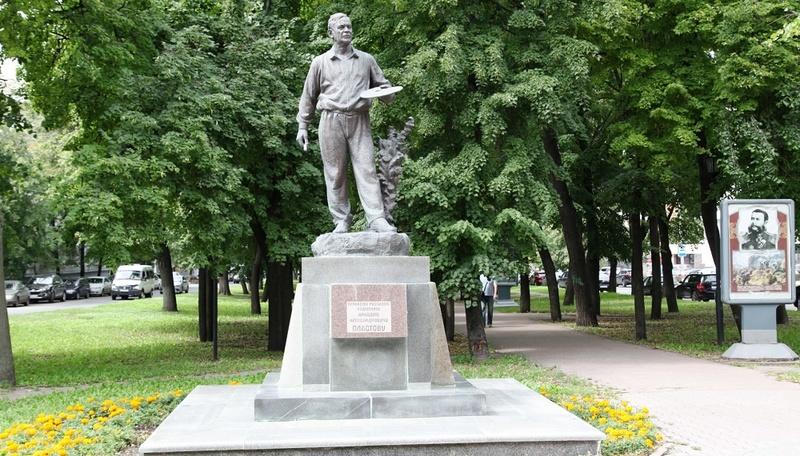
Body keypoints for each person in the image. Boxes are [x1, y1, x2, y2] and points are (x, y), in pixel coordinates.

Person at [296, 13, 397, 233]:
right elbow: (308, 96)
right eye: (341, 27)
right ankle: (341, 220)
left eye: (349, 26)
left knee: (367, 169)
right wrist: (303, 126)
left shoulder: (366, 60)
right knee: (335, 173)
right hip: (331, 120)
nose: (346, 30)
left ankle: (376, 218)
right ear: (330, 33)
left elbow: (387, 92)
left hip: (359, 120)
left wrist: (386, 93)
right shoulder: (320, 62)